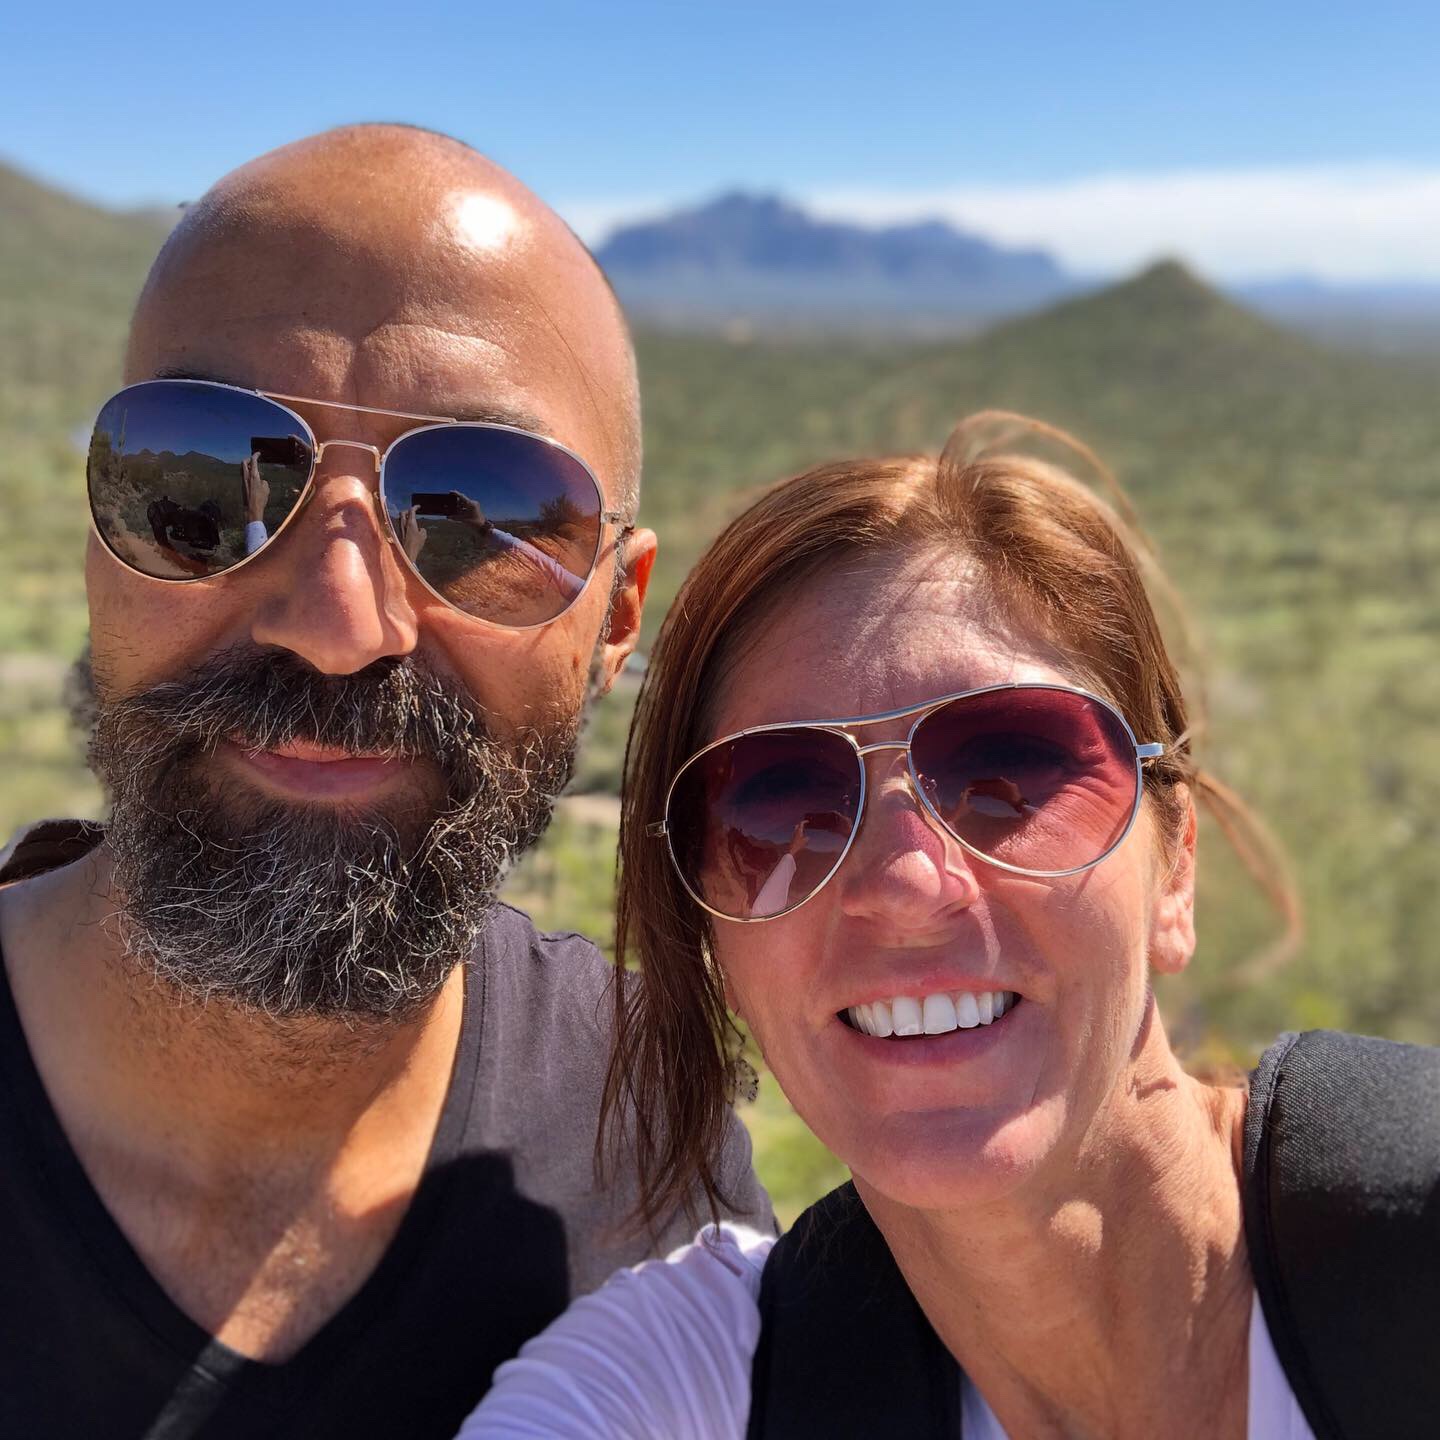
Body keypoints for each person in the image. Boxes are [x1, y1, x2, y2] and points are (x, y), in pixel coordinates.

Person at [0, 124, 769, 1440]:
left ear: (616, 619)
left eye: (483, 515)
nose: (340, 623)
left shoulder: (647, 1131)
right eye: (201, 484)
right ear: (95, 539)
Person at [461, 413, 1439, 1439]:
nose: (906, 884)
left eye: (1009, 770)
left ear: (1175, 867)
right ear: (715, 944)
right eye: (780, 806)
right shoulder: (689, 1389)